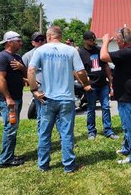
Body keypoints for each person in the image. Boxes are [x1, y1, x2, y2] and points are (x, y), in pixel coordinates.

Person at [28, 26, 91, 173]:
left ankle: (43, 165)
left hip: (47, 98)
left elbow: (31, 70)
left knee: (44, 133)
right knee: (66, 133)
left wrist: (34, 91)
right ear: (60, 36)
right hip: (67, 98)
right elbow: (81, 71)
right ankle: (69, 165)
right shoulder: (70, 50)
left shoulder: (40, 50)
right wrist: (86, 85)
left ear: (49, 36)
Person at [100, 27, 131, 165]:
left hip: (128, 98)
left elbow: (103, 57)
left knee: (130, 128)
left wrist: (105, 41)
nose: (117, 42)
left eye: (118, 40)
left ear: (123, 41)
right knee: (129, 126)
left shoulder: (126, 52)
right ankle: (126, 148)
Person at [0, 31, 27, 168]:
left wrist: (22, 67)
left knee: (13, 127)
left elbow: (25, 74)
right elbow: (0, 78)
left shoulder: (18, 57)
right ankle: (5, 159)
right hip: (8, 100)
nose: (21, 43)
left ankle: (10, 155)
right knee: (10, 127)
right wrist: (8, 98)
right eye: (18, 40)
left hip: (17, 98)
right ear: (9, 42)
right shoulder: (2, 57)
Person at [78, 30, 118, 140]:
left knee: (105, 107)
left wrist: (110, 82)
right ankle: (91, 131)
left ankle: (108, 131)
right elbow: (77, 70)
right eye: (91, 39)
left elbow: (106, 67)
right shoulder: (81, 53)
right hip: (91, 86)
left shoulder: (99, 50)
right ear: (85, 40)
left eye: (94, 39)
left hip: (103, 85)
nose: (93, 41)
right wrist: (84, 83)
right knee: (91, 108)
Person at [22, 32, 46, 126]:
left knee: (56, 115)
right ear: (33, 42)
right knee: (40, 114)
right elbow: (22, 74)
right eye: (37, 40)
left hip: (52, 87)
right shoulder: (27, 56)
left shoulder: (50, 53)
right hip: (39, 90)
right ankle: (42, 137)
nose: (40, 41)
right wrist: (30, 81)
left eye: (42, 39)